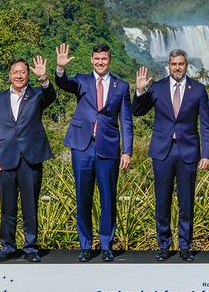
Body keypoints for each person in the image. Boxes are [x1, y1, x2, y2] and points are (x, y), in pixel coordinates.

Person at [132, 49, 209, 262]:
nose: (177, 67)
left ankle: (185, 246)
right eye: (174, 64)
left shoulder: (198, 90)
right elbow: (138, 111)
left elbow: (206, 125)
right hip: (162, 151)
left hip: (188, 151)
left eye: (181, 64)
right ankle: (164, 245)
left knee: (186, 201)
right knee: (162, 201)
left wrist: (207, 154)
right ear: (168, 65)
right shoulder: (156, 88)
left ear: (186, 65)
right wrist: (140, 91)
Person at [55, 42, 133, 262]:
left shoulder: (121, 86)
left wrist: (127, 151)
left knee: (108, 197)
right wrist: (60, 69)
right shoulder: (81, 80)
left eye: (104, 59)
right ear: (91, 59)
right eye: (97, 59)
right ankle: (86, 245)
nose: (100, 63)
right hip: (82, 146)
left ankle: (106, 245)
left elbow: (126, 121)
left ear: (110, 60)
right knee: (83, 197)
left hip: (108, 148)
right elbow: (63, 83)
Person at [0, 56, 56, 263]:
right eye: (15, 72)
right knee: (7, 207)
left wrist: (44, 79)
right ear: (9, 75)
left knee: (30, 206)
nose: (19, 75)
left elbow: (50, 96)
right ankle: (7, 247)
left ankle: (31, 247)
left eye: (23, 72)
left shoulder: (37, 95)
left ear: (28, 75)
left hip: (31, 158)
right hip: (5, 159)